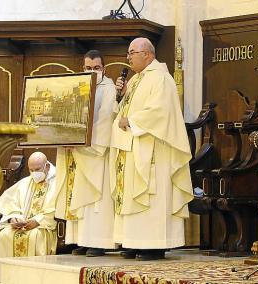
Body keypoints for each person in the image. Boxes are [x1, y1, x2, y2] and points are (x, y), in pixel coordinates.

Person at [110, 37, 193, 260]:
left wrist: (132, 121)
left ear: (147, 54)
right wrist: (122, 95)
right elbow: (124, 108)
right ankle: (133, 241)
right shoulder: (137, 80)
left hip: (153, 148)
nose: (128, 58)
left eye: (132, 53)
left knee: (151, 196)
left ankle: (153, 245)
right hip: (132, 147)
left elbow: (160, 111)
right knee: (131, 195)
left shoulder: (161, 78)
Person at [55, 50, 117, 257]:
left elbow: (106, 118)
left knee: (95, 199)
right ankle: (80, 239)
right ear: (83, 68)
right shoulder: (78, 85)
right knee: (76, 195)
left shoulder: (108, 88)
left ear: (103, 69)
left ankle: (98, 241)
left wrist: (84, 143)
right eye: (88, 68)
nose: (92, 71)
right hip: (76, 151)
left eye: (96, 68)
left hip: (95, 152)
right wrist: (65, 137)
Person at [0, 152, 59, 282]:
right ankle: (6, 280)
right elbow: (9, 203)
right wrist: (14, 218)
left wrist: (37, 221)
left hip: (42, 227)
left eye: (37, 169)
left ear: (46, 166)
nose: (34, 173)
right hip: (22, 225)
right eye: (31, 170)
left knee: (34, 236)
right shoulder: (25, 182)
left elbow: (57, 209)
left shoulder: (57, 183)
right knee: (4, 235)